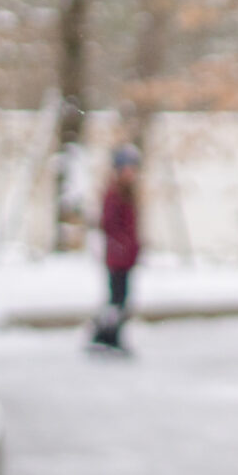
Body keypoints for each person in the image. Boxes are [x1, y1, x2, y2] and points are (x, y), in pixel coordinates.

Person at [90, 146, 140, 354]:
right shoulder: (115, 194)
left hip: (125, 257)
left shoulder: (127, 193)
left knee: (120, 299)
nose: (131, 173)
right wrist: (122, 245)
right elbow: (109, 224)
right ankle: (107, 336)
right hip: (118, 257)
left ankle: (108, 335)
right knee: (116, 299)